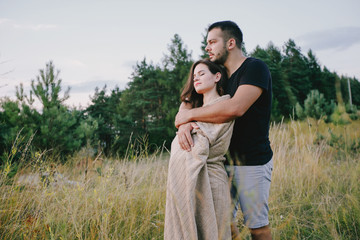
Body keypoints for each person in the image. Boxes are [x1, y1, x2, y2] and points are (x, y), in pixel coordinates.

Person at [175, 21, 273, 240]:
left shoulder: (254, 68)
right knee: (222, 224)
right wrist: (182, 124)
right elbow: (188, 99)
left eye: (212, 42)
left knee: (257, 226)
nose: (207, 47)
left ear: (230, 43)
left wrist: (188, 117)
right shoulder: (218, 74)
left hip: (252, 162)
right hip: (219, 163)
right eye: (206, 43)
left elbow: (235, 108)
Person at [164, 59, 234, 240]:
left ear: (217, 76)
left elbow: (199, 144)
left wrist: (189, 124)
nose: (196, 78)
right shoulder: (191, 111)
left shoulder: (224, 105)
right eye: (194, 76)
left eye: (202, 74)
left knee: (213, 233)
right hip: (186, 181)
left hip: (211, 179)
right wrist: (184, 125)